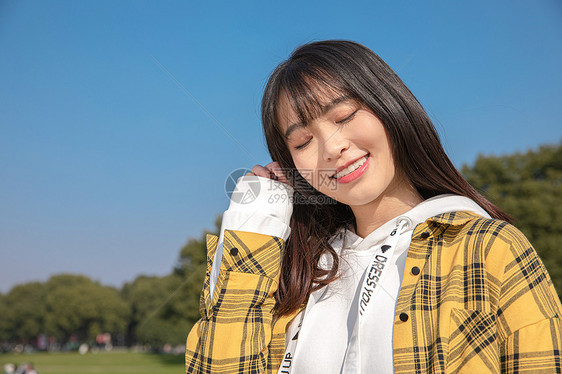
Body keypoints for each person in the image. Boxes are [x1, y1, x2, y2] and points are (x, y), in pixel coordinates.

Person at [185, 40, 562, 373]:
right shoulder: (296, 275)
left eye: (344, 117)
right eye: (302, 142)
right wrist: (254, 228)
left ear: (390, 107)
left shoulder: (488, 248)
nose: (332, 148)